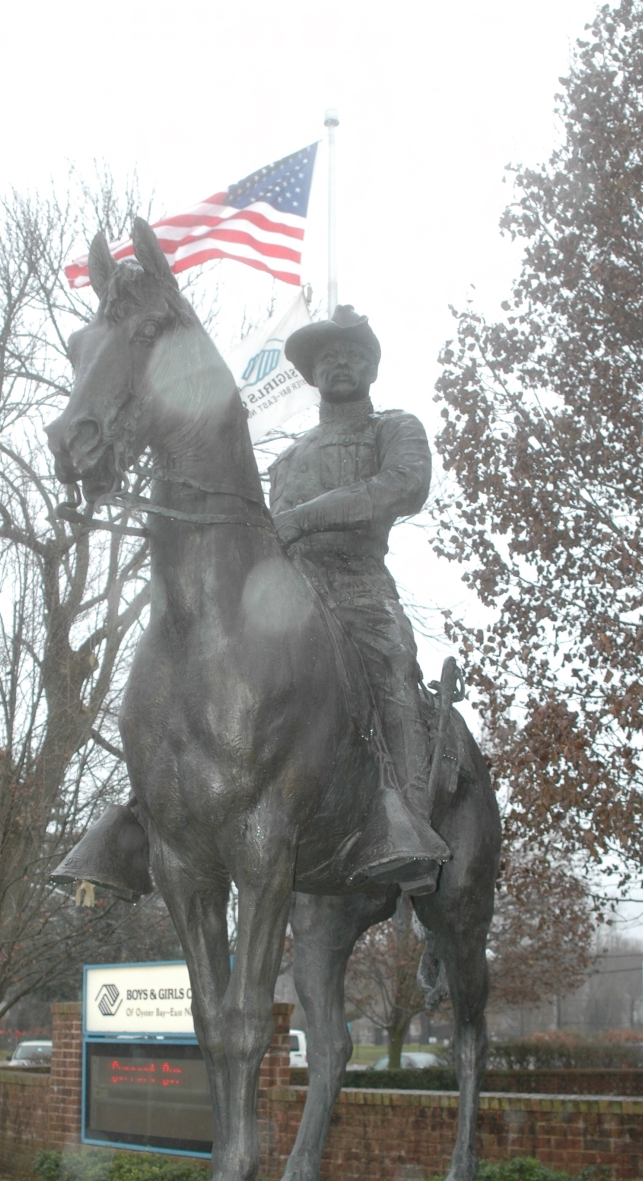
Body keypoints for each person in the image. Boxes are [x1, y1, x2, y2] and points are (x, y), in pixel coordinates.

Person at [270, 304, 450, 897]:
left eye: (352, 356)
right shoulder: (286, 459)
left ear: (371, 369)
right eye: (328, 358)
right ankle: (149, 814)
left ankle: (410, 831)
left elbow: (403, 485)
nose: (340, 364)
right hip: (288, 593)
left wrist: (304, 518)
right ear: (313, 375)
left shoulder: (393, 428)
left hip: (358, 584)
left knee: (392, 666)